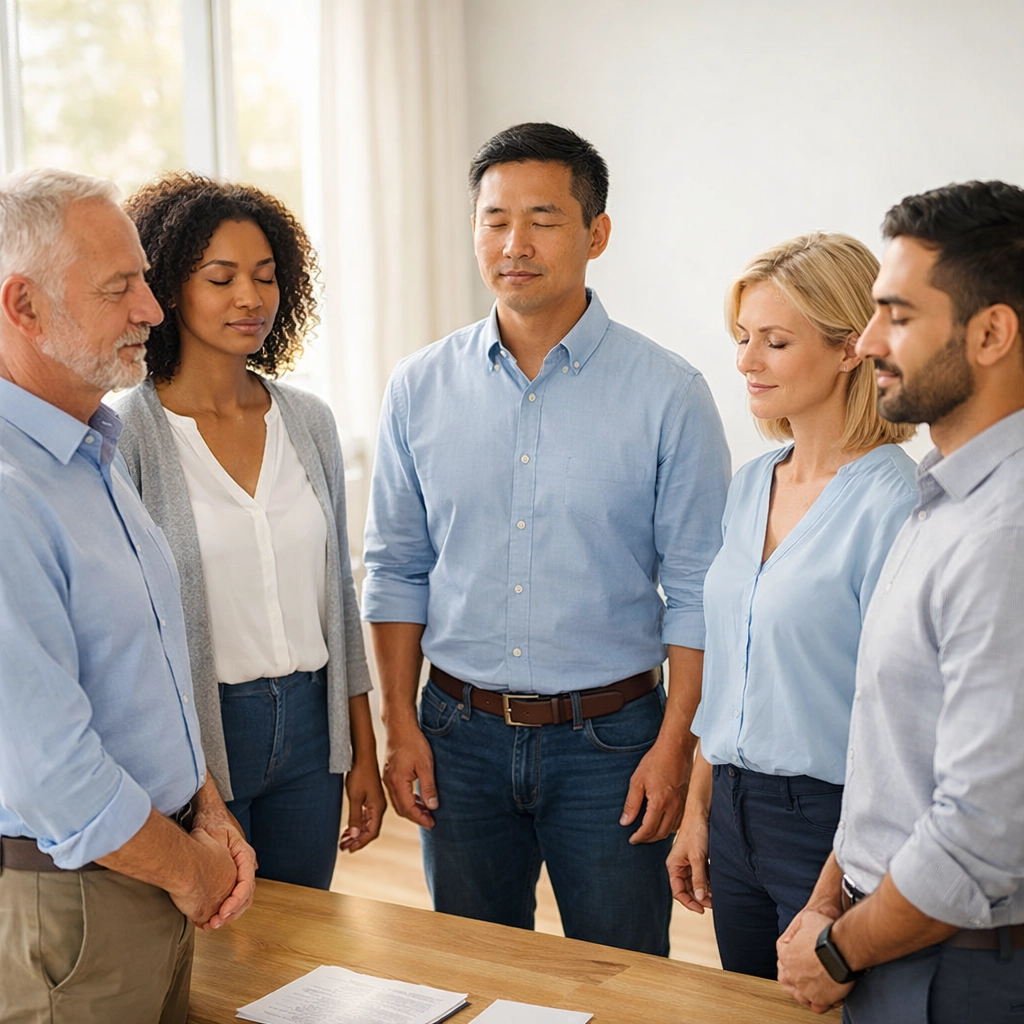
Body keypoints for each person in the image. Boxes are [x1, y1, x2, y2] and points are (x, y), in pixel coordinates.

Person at [361, 122, 731, 956]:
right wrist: (400, 723)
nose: (514, 243)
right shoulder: (418, 386)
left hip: (614, 744)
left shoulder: (670, 394)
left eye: (543, 218)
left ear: (597, 234)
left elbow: (701, 589)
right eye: (494, 219)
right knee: (471, 968)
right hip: (455, 734)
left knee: (621, 973)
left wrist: (676, 745)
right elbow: (394, 567)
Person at [0, 168, 255, 1024]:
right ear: (23, 307)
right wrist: (193, 869)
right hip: (74, 908)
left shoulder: (91, 452)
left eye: (145, 279)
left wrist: (207, 809)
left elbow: (144, 673)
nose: (152, 308)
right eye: (121, 288)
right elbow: (53, 774)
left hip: (149, 872)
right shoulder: (7, 493)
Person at [777, 180, 1024, 1020]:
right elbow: (891, 755)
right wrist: (827, 900)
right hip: (890, 935)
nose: (870, 341)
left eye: (901, 315)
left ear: (991, 332)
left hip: (956, 971)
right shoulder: (942, 497)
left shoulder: (1005, 536)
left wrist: (841, 946)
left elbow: (980, 836)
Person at [116, 173, 385, 891]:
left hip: (309, 728)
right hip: (200, 734)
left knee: (300, 948)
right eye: (222, 277)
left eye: (266, 278)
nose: (250, 298)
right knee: (214, 950)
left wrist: (361, 746)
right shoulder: (126, 436)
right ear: (169, 286)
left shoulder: (309, 422)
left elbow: (338, 600)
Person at [666, 234, 917, 978]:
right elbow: (728, 680)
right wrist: (699, 812)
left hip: (835, 825)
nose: (745, 361)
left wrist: (833, 888)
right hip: (733, 812)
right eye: (743, 338)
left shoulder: (895, 504)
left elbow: (894, 722)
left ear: (851, 349)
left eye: (775, 341)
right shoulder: (751, 484)